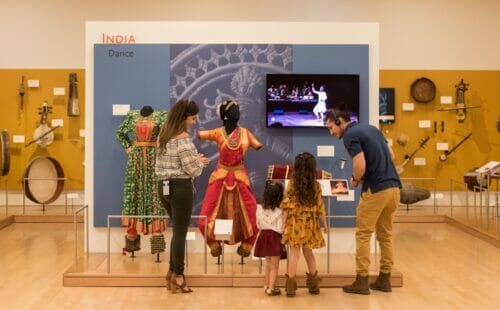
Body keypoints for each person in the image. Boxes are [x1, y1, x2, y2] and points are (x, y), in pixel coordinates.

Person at [325, 108, 401, 295]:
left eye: (330, 127)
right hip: (394, 188)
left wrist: (356, 179)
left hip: (376, 190)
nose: (331, 132)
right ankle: (384, 279)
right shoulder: (372, 129)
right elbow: (392, 156)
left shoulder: (350, 135)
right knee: (386, 235)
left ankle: (362, 280)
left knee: (363, 234)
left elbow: (360, 164)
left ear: (339, 121)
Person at [156, 99, 209, 294]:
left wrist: (194, 161)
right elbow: (192, 170)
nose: (195, 121)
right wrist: (200, 162)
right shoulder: (184, 139)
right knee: (180, 233)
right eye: (193, 118)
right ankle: (178, 276)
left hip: (163, 187)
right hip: (180, 188)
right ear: (185, 117)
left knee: (176, 232)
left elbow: (168, 164)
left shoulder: (163, 136)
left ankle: (171, 273)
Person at [197, 100, 262, 258]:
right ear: (225, 116)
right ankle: (213, 244)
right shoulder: (218, 132)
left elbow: (257, 144)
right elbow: (200, 134)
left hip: (240, 177)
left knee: (253, 216)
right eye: (233, 109)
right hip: (220, 176)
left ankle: (247, 245)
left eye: (238, 109)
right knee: (205, 214)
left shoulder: (247, 133)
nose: (237, 112)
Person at [281, 152, 328, 297]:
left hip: (294, 224)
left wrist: (283, 226)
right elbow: (320, 207)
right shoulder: (316, 186)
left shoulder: (292, 184)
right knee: (309, 253)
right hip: (310, 224)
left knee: (294, 255)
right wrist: (325, 224)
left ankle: (290, 288)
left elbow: (286, 206)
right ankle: (314, 286)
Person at [116, 105, 167, 237]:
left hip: (153, 157)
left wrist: (162, 149)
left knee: (154, 191)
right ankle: (132, 235)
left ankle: (156, 237)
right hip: (136, 158)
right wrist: (128, 147)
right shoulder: (132, 116)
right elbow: (120, 132)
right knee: (135, 189)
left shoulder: (161, 116)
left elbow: (168, 135)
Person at [253, 180, 287, 296]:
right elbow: (281, 228)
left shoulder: (259, 208)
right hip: (274, 238)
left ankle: (266, 285)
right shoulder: (280, 211)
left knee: (267, 264)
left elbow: (258, 224)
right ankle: (271, 288)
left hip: (263, 236)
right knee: (275, 266)